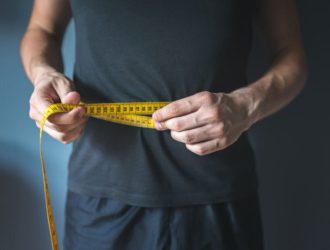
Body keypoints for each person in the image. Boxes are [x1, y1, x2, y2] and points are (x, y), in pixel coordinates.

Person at [20, 0, 307, 249]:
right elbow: (42, 29)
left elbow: (291, 54)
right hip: (100, 201)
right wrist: (43, 74)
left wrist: (245, 106)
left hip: (219, 200)